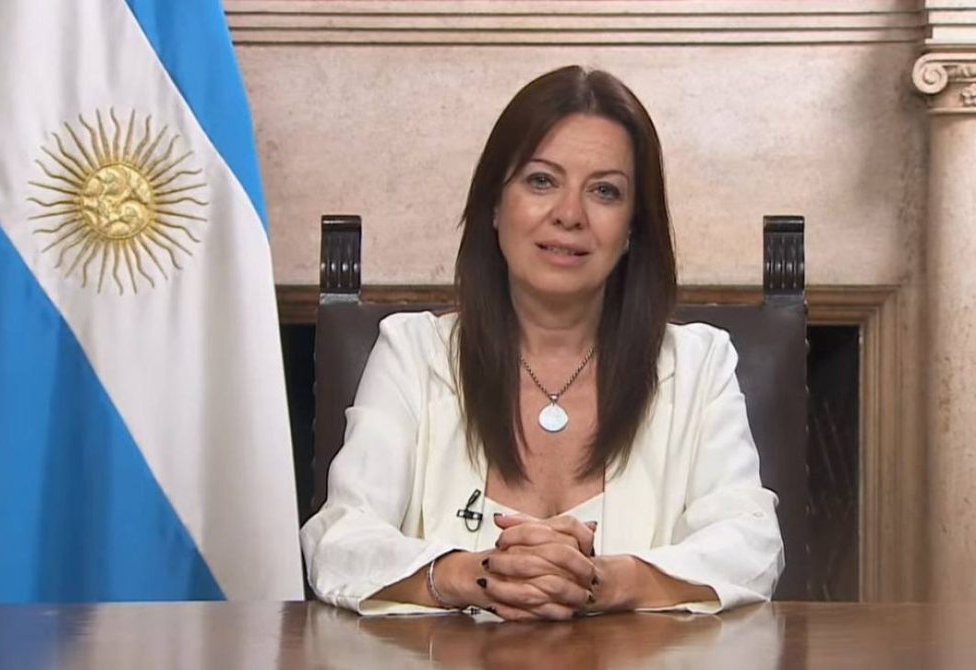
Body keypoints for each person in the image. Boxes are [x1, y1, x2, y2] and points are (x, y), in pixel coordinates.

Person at [300, 65, 784, 620]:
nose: (569, 215)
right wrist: (476, 576)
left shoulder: (699, 365)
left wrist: (606, 581)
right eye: (541, 181)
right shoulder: (413, 353)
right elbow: (340, 539)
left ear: (633, 227)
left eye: (604, 191)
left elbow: (751, 544)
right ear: (494, 204)